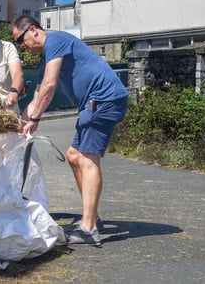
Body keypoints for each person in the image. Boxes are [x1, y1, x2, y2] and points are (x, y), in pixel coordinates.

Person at [11, 15, 129, 246]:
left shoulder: (56, 40)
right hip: (94, 103)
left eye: (20, 40)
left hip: (103, 100)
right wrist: (18, 121)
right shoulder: (48, 56)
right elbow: (38, 94)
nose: (22, 46)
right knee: (74, 156)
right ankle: (91, 217)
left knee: (87, 159)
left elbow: (50, 85)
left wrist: (34, 118)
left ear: (33, 30)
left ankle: (89, 227)